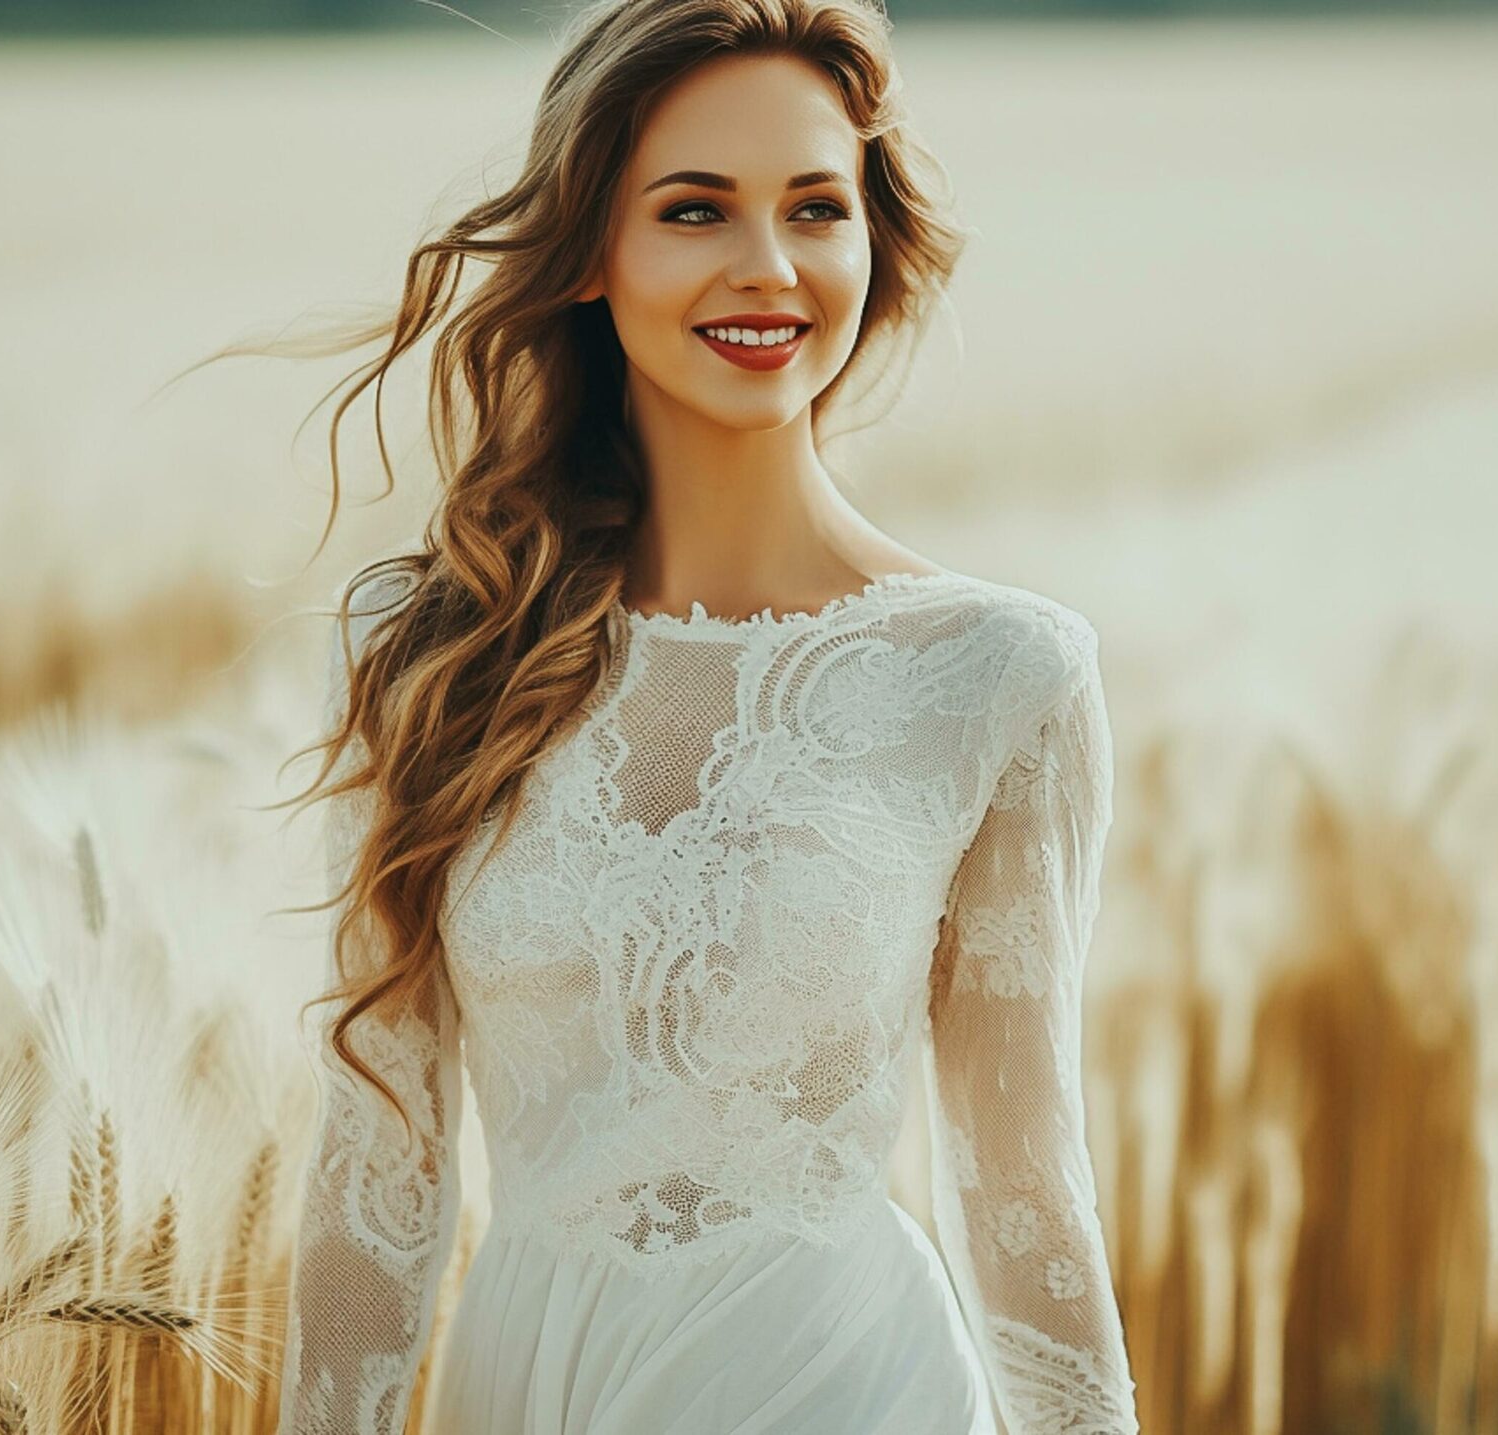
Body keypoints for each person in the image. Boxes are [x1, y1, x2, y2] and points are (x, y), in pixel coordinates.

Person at [269, 2, 1140, 1430]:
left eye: (815, 208)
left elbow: (1029, 1190)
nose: (769, 268)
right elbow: (378, 1173)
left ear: (874, 243)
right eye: (694, 210)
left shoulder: (1002, 674)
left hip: (850, 1384)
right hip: (538, 1382)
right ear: (590, 256)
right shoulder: (428, 651)